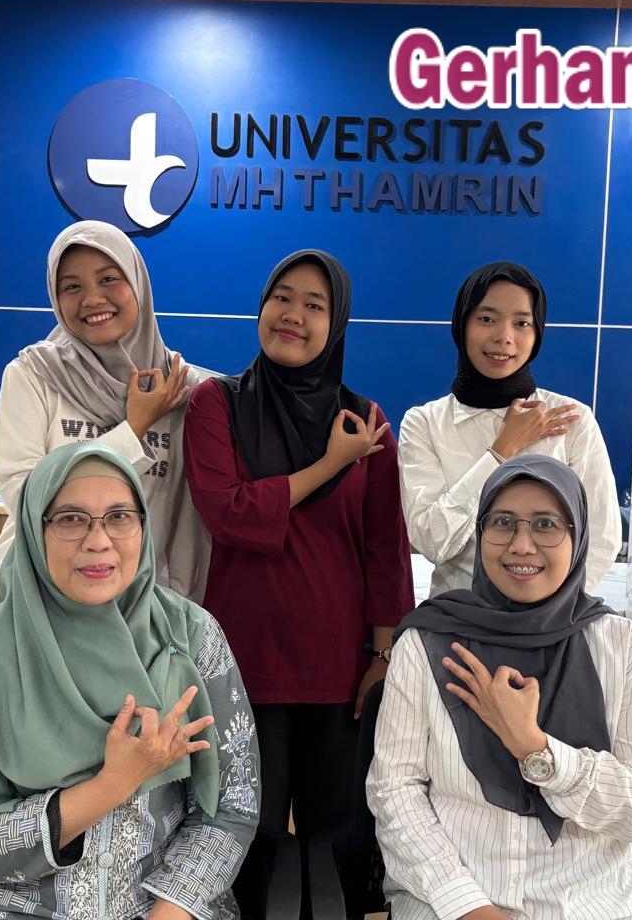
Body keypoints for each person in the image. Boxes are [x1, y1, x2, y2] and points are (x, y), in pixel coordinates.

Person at [0, 442, 259, 920]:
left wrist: (172, 909)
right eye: (71, 519)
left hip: (159, 905)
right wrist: (110, 786)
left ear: (143, 526)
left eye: (119, 517)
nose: (98, 541)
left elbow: (231, 805)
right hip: (4, 906)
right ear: (34, 531)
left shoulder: (192, 637)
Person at [181, 249, 414, 889]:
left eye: (315, 305)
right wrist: (331, 464)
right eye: (281, 297)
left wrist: (384, 657)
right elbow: (229, 513)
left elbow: (385, 547)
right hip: (241, 664)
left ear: (336, 325)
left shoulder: (365, 423)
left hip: (338, 670)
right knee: (241, 841)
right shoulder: (215, 404)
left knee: (337, 845)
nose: (292, 315)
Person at [368, 455, 632, 920]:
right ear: (480, 533)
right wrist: (466, 904)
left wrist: (536, 748)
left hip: (592, 905)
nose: (521, 545)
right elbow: (394, 791)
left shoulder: (624, 650)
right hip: (450, 902)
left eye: (546, 524)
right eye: (503, 523)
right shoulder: (427, 642)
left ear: (577, 537)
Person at [0, 220, 209, 623]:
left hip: (135, 617)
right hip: (24, 607)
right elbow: (24, 496)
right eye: (72, 286)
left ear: (138, 284)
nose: (92, 299)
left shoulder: (182, 390)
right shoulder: (35, 375)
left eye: (109, 278)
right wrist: (133, 430)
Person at [398, 262, 620, 595]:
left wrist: (543, 612)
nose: (504, 337)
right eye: (487, 319)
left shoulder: (571, 420)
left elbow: (601, 540)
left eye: (521, 323)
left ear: (537, 332)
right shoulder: (424, 423)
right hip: (456, 616)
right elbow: (432, 542)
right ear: (462, 325)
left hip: (551, 623)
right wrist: (501, 450)